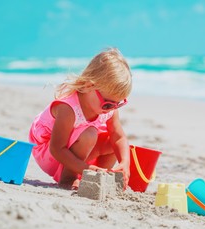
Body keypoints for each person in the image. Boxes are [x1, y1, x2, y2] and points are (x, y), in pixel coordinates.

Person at [29, 48, 132, 189]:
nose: (112, 108)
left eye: (119, 103)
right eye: (108, 104)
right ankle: (68, 179)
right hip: (51, 153)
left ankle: (96, 179)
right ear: (90, 86)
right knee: (90, 133)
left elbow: (119, 137)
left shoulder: (108, 108)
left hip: (78, 153)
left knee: (112, 143)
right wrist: (86, 169)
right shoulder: (68, 109)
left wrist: (124, 163)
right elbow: (57, 148)